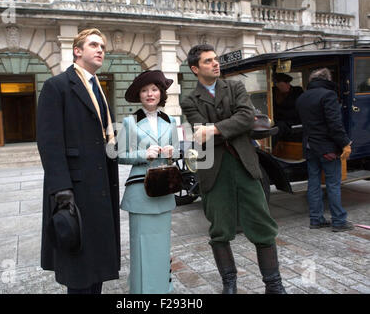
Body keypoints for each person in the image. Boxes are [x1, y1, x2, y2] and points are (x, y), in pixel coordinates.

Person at [180, 44, 286, 294]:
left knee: (262, 224)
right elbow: (200, 130)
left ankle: (274, 284)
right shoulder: (188, 100)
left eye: (215, 59)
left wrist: (214, 129)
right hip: (213, 171)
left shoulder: (236, 87)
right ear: (196, 69)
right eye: (208, 61)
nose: (215, 63)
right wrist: (227, 127)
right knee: (220, 229)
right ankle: (229, 283)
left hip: (245, 165)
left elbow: (246, 118)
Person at [37, 28, 120, 294]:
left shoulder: (98, 86)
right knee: (79, 268)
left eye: (103, 47)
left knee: (96, 264)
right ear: (77, 50)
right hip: (74, 189)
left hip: (100, 185)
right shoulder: (57, 86)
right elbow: (49, 144)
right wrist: (61, 190)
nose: (100, 50)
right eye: (94, 45)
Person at [117, 70, 178, 294]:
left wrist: (173, 152)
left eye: (154, 89)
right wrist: (144, 154)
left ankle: (163, 288)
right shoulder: (129, 122)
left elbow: (178, 152)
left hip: (164, 190)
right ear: (139, 95)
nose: (150, 94)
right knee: (141, 246)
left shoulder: (171, 121)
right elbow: (119, 155)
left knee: (162, 245)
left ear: (161, 93)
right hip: (140, 193)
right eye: (144, 90)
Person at [296, 68, 354, 232]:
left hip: (309, 146)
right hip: (327, 147)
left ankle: (316, 219)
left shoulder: (302, 97)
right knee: (333, 184)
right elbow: (335, 125)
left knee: (313, 183)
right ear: (327, 79)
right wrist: (345, 143)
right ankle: (338, 221)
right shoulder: (328, 95)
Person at [272, 73, 303, 147]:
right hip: (278, 124)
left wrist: (281, 113)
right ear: (277, 84)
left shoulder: (297, 92)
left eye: (289, 82)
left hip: (295, 124)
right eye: (286, 83)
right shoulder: (272, 93)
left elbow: (299, 111)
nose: (289, 85)